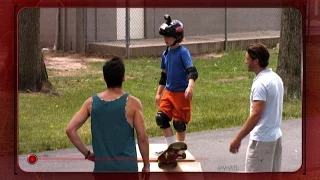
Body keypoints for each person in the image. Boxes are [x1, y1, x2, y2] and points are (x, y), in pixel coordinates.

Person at [66, 56, 150, 173]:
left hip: (102, 170)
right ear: (123, 78)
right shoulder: (133, 103)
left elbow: (70, 129)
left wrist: (87, 153)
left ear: (105, 79)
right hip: (127, 170)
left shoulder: (90, 103)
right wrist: (147, 165)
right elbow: (142, 138)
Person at [229, 43, 284, 172]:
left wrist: (238, 138)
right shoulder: (276, 78)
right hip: (275, 138)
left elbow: (256, 115)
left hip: (262, 142)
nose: (245, 62)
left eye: (247, 59)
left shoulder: (261, 84)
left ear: (256, 61)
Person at [155, 14, 199, 150]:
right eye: (164, 37)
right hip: (168, 92)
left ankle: (179, 148)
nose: (165, 40)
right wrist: (158, 93)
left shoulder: (183, 53)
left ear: (177, 37)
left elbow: (192, 71)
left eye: (168, 37)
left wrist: (190, 86)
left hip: (181, 93)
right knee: (161, 118)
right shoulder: (165, 54)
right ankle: (171, 147)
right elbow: (164, 76)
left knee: (179, 123)